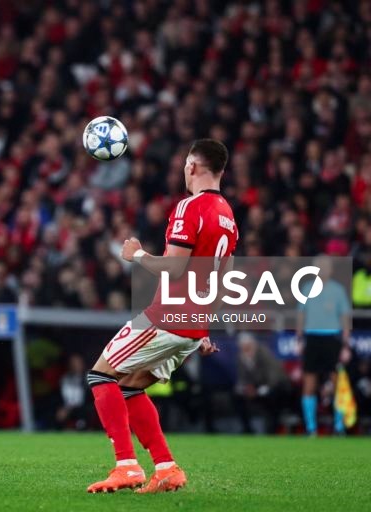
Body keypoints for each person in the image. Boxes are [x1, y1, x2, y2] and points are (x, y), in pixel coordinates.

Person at [87, 139, 237, 494]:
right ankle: (167, 468)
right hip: (192, 322)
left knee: (100, 376)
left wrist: (137, 255)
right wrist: (202, 331)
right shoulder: (228, 216)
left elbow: (173, 265)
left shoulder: (190, 207)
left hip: (166, 316)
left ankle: (126, 465)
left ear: (192, 167)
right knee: (129, 386)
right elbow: (222, 277)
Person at [296, 256, 352, 435]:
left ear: (331, 269)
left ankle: (339, 426)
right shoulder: (306, 288)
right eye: (318, 266)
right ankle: (311, 428)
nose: (321, 269)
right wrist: (299, 339)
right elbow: (301, 315)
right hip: (312, 338)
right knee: (309, 382)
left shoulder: (338, 291)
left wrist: (345, 345)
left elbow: (345, 318)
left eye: (325, 266)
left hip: (332, 339)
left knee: (337, 383)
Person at [234, 332, 290, 434]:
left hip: (275, 387)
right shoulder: (241, 357)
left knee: (272, 397)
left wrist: (259, 391)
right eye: (243, 347)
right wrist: (246, 388)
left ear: (253, 345)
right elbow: (242, 379)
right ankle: (247, 429)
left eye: (248, 347)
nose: (245, 350)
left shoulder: (264, 353)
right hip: (256, 388)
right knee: (237, 397)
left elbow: (274, 378)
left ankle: (271, 430)